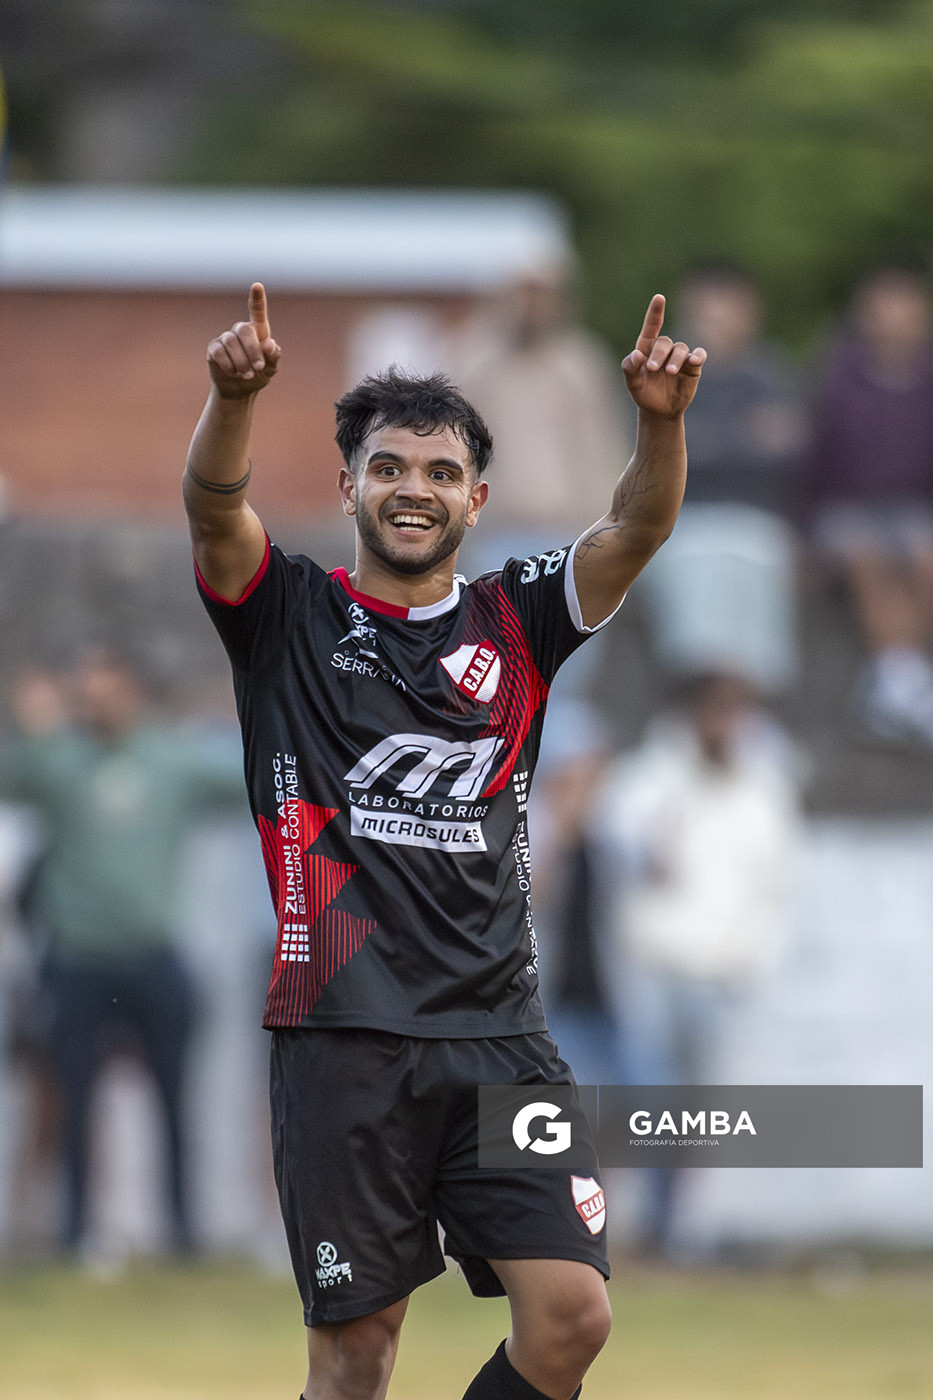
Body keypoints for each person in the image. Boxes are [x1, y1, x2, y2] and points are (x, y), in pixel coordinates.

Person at [184, 282, 705, 1400]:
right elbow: (213, 510)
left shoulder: (519, 621)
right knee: (357, 1352)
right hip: (343, 1036)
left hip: (500, 1036)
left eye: (436, 473)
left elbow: (640, 526)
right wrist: (232, 402)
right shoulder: (288, 617)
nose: (411, 490)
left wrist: (657, 421)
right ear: (350, 486)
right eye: (387, 468)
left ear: (476, 498)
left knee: (572, 1314)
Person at [0, 646, 244, 1258]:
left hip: (154, 955)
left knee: (175, 1100)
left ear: (130, 687)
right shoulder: (57, 757)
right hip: (77, 958)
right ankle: (75, 1234)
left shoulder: (171, 758)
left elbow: (251, 787)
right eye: (82, 684)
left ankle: (183, 1235)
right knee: (74, 1101)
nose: (90, 695)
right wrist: (31, 726)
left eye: (102, 682)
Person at [595, 670, 800, 1257]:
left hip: (719, 977)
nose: (726, 725)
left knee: (694, 1113)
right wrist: (646, 855)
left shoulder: (764, 789)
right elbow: (614, 840)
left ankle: (669, 1229)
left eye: (736, 713)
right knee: (643, 1100)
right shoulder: (652, 777)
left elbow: (777, 885)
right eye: (717, 712)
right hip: (653, 967)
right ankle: (609, 1227)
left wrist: (752, 964)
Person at [638, 260, 805, 695]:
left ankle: (744, 717)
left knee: (760, 562)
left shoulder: (770, 372)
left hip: (757, 522)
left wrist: (708, 440)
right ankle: (703, 710)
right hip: (682, 523)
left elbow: (787, 448)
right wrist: (743, 438)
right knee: (694, 580)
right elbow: (662, 452)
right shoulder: (667, 370)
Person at [806, 261, 933, 742]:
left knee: (925, 553)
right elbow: (813, 462)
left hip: (914, 510)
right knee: (863, 554)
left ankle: (898, 682)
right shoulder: (837, 379)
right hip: (846, 511)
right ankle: (906, 682)